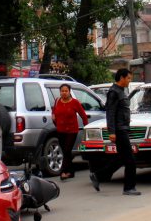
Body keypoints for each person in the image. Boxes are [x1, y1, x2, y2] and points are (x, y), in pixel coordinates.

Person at [94, 68, 140, 196]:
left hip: (123, 128)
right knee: (130, 160)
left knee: (121, 158)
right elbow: (110, 112)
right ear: (122, 78)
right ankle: (129, 187)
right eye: (129, 78)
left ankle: (98, 175)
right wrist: (112, 131)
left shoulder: (121, 91)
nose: (130, 81)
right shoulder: (114, 92)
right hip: (119, 130)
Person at [53, 84, 89, 180]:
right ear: (60, 92)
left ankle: (64, 172)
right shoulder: (57, 101)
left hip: (72, 131)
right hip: (60, 130)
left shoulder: (75, 102)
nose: (64, 93)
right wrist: (54, 119)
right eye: (62, 91)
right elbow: (54, 113)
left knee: (67, 150)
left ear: (69, 92)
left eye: (66, 91)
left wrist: (86, 127)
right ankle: (71, 171)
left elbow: (83, 115)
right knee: (65, 151)